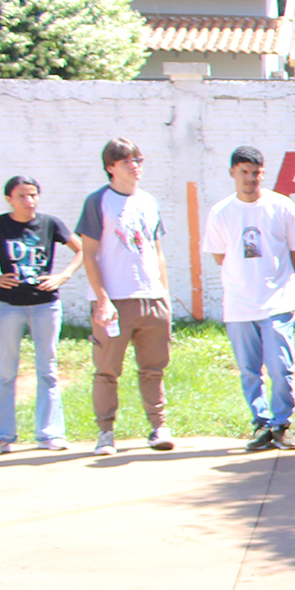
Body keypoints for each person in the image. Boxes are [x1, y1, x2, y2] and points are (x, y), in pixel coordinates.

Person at [201, 145, 295, 451]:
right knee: (250, 370)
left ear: (263, 173)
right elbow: (220, 255)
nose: (250, 179)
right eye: (244, 172)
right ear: (233, 173)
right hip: (239, 305)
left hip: (278, 301)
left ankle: (282, 424)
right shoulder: (221, 212)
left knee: (280, 367)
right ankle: (261, 424)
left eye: (255, 173)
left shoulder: (282, 207)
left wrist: (278, 279)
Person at [76, 138, 176, 455]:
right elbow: (89, 254)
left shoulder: (148, 201)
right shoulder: (98, 202)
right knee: (107, 370)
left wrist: (165, 295)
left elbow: (156, 250)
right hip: (115, 299)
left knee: (153, 368)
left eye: (139, 160)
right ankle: (106, 433)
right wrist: (102, 298)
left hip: (152, 297)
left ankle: (158, 427)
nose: (136, 166)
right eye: (128, 161)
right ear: (111, 167)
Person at [0, 174, 84, 455]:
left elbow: (81, 250)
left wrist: (62, 276)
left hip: (45, 305)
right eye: (21, 196)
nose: (29, 201)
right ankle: (0, 436)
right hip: (8, 306)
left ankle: (50, 433)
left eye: (33, 195)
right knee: (6, 371)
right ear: (9, 199)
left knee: (48, 369)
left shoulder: (50, 223)